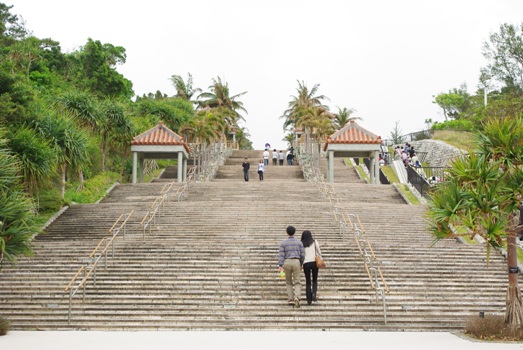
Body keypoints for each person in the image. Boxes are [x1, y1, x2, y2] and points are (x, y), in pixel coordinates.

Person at [278, 226, 305, 308]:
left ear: (287, 232)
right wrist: (301, 263)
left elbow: (281, 255)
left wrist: (280, 265)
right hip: (296, 261)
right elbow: (302, 254)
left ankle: (290, 299)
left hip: (287, 262)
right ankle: (297, 297)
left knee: (288, 281)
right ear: (294, 232)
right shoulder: (299, 242)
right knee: (297, 281)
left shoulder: (283, 243)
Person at [301, 230, 321, 305]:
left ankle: (308, 299)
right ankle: (314, 293)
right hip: (314, 262)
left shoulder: (301, 244)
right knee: (315, 279)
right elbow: (319, 251)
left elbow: (301, 254)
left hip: (306, 263)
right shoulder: (315, 242)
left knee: (308, 281)